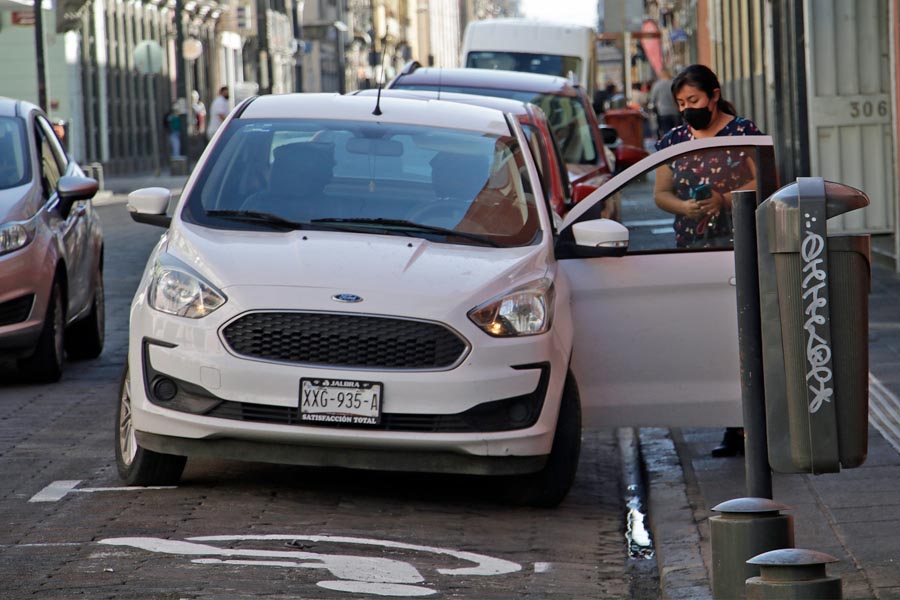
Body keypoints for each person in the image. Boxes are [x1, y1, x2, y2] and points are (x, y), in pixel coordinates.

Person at [653, 64, 764, 457]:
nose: (688, 109)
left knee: (746, 333)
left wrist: (726, 198)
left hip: (740, 243)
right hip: (693, 246)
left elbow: (766, 180)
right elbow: (661, 192)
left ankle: (754, 426)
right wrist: (685, 206)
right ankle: (731, 425)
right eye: (682, 103)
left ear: (714, 95)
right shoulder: (673, 139)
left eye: (694, 101)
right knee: (712, 334)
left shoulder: (744, 132)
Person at [649, 69, 680, 138]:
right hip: (676, 111)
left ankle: (669, 146)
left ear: (661, 75)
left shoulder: (657, 85)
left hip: (663, 112)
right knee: (678, 132)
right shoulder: (675, 83)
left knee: (667, 133)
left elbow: (652, 99)